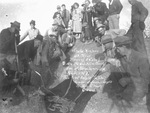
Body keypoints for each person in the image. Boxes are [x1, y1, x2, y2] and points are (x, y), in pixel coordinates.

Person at [114, 36, 150, 105]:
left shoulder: (141, 58)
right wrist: (113, 60)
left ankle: (145, 95)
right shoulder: (123, 56)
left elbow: (146, 79)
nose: (117, 51)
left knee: (130, 98)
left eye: (118, 48)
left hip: (142, 84)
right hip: (133, 83)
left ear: (124, 46)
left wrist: (145, 95)